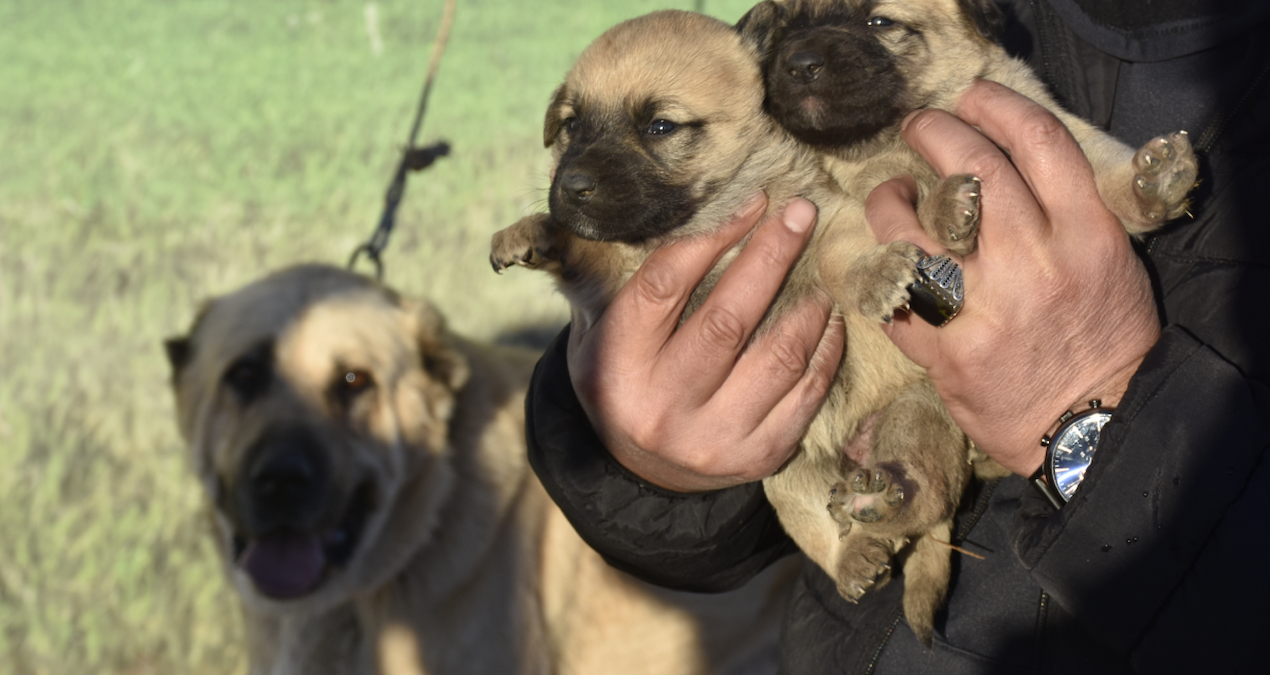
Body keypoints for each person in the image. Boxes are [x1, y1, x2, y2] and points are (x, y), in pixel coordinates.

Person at [524, 1, 1270, 672]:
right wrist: (631, 455)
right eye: (788, 20)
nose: (801, 53)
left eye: (880, 23)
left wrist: (1082, 413)